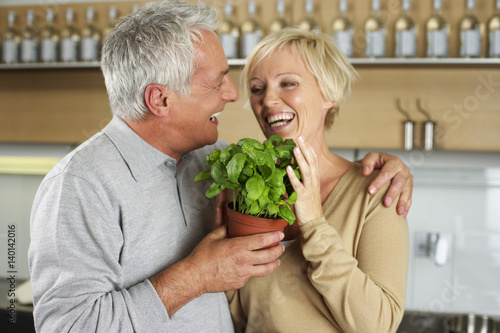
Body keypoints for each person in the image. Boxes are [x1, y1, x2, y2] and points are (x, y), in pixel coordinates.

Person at [28, 1, 411, 332]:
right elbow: (69, 326)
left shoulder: (221, 165)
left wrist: (393, 166)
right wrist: (194, 277)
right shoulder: (80, 184)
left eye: (287, 83)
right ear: (160, 99)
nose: (236, 96)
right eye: (222, 83)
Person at [226, 29, 410, 332]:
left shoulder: (375, 192)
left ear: (329, 94)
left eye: (288, 83)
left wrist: (314, 225)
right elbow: (237, 310)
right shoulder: (247, 191)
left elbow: (379, 325)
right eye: (257, 89)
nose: (268, 100)